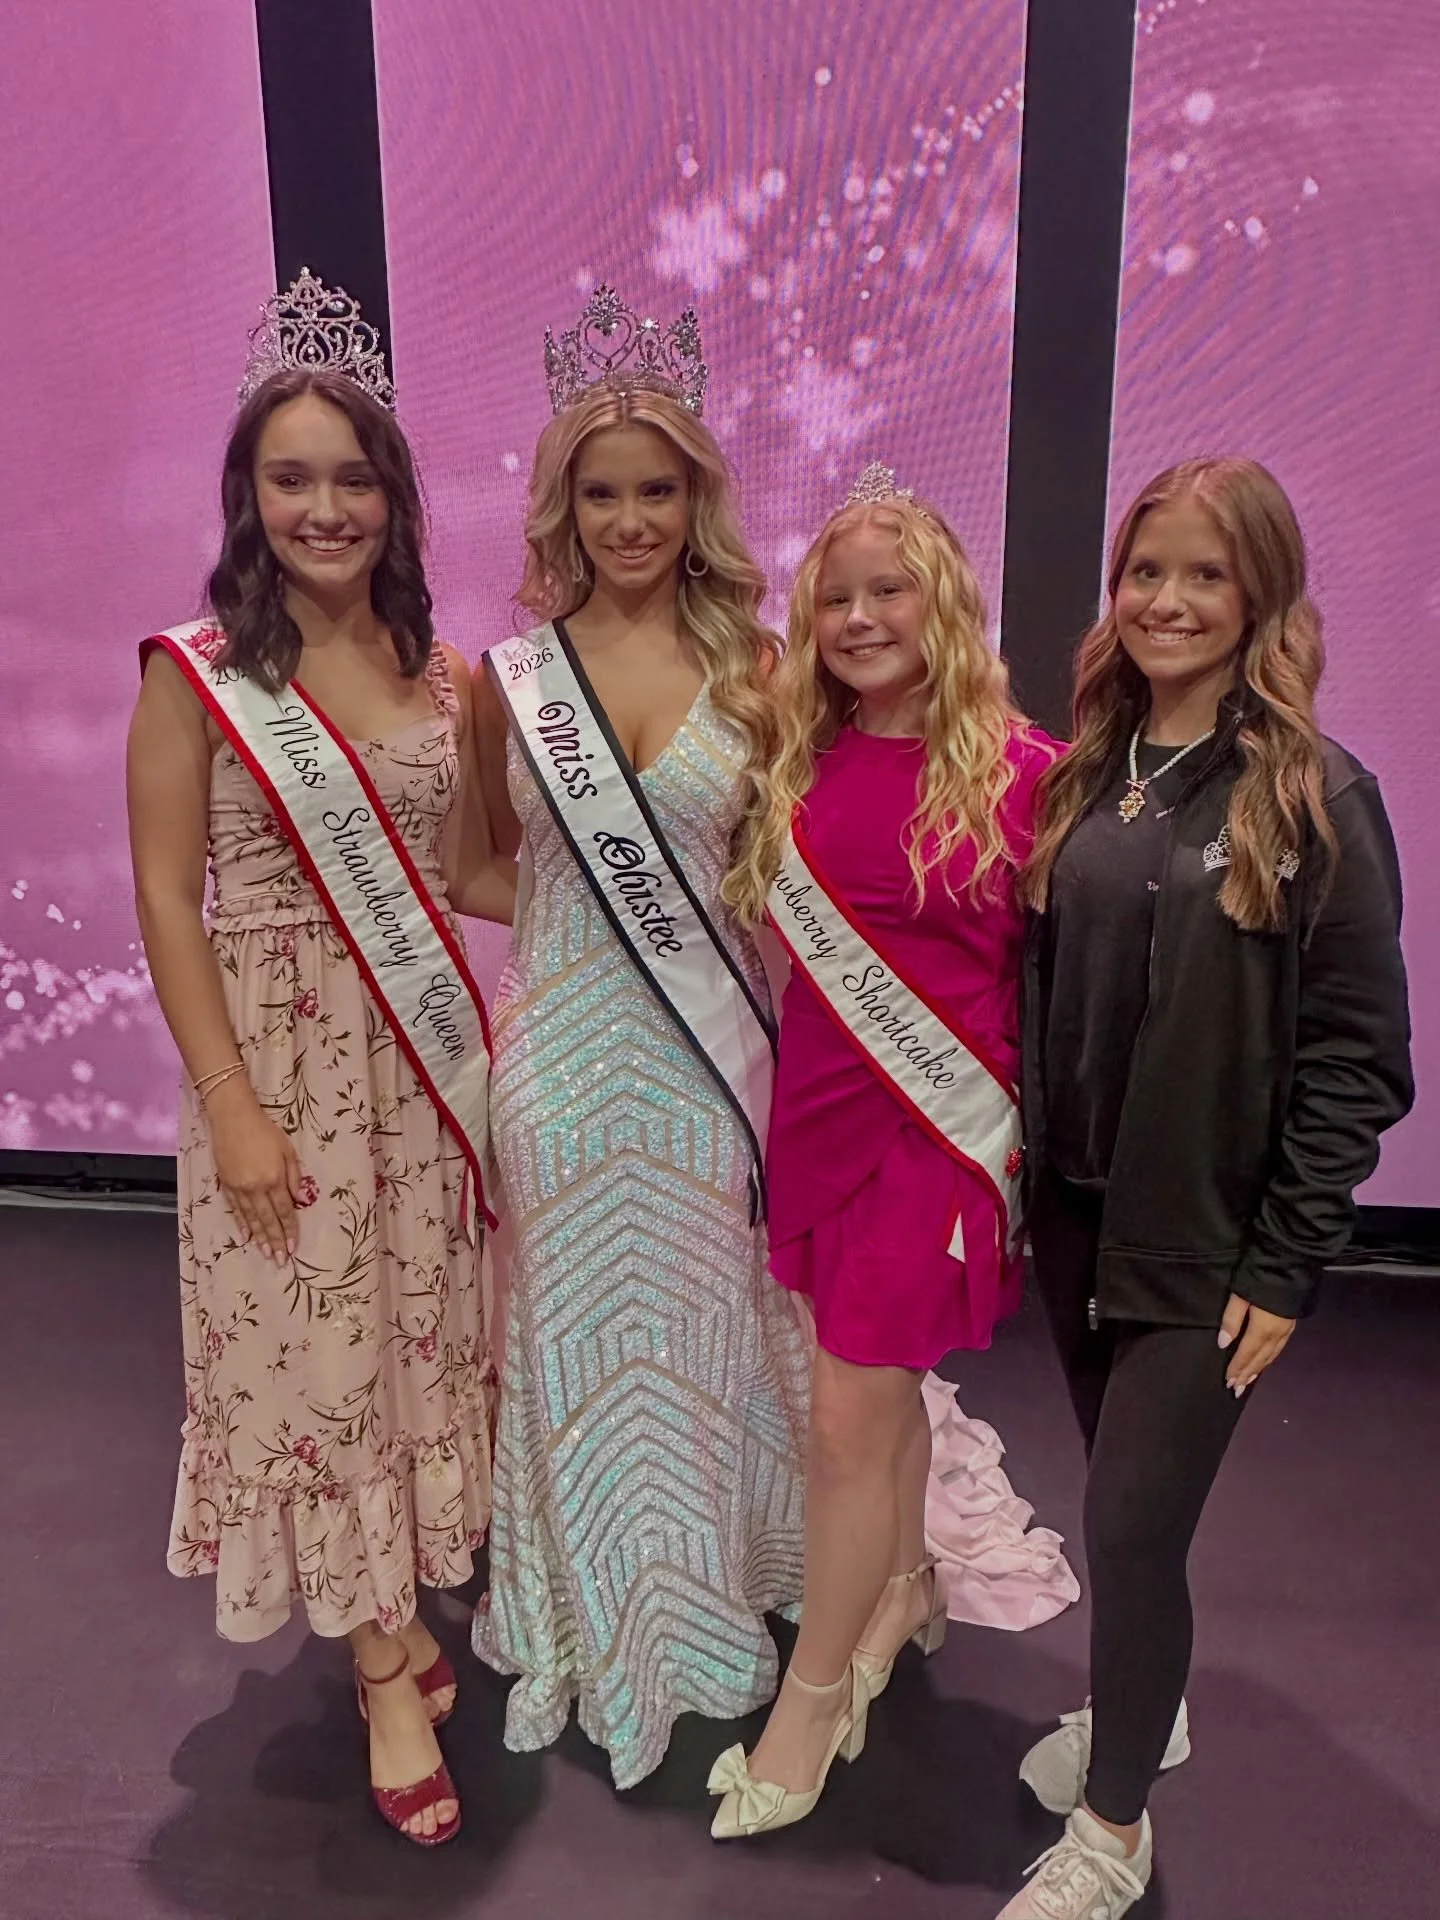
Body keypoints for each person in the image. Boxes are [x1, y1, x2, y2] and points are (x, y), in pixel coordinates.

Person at [126, 272, 514, 1848]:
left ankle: (393, 1613)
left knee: (409, 1353)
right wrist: (230, 1107)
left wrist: (669, 895)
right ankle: (377, 1667)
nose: (326, 508)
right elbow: (169, 896)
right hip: (277, 1082)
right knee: (317, 1372)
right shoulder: (195, 672)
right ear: (249, 494)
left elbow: (474, 873)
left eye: (353, 478)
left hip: (415, 1086)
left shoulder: (445, 674)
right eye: (291, 478)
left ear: (394, 497)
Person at [995, 456, 1412, 1917]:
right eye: (1145, 571)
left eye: (1205, 574)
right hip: (1079, 1221)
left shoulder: (1316, 793)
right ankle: (1146, 1708)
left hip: (1209, 1244)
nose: (1166, 601)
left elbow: (1359, 1057)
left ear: (1261, 596)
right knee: (1128, 1515)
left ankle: (1113, 1833)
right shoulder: (1085, 773)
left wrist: (1285, 1262)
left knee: (1128, 1527)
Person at [468, 287, 814, 1788]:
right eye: (600, 494)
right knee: (575, 1340)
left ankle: (710, 1595)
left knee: (704, 1330)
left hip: (705, 1063)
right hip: (561, 1063)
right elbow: (480, 865)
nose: (628, 521)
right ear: (563, 507)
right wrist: (584, 938)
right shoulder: (510, 681)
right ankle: (589, 1617)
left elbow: (784, 874)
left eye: (656, 491)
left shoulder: (764, 671)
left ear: (696, 500)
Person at [707, 464, 1067, 1838]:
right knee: (879, 1395)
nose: (860, 619)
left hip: (935, 1146)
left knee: (845, 1420)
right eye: (836, 599)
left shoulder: (1025, 775)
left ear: (945, 603)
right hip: (819, 1125)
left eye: (889, 591)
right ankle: (906, 1586)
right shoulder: (799, 763)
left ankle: (811, 1704)